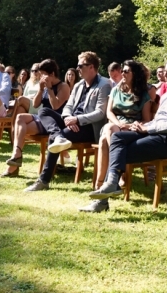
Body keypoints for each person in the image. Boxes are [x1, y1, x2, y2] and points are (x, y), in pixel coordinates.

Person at [83, 59, 167, 212]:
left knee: (119, 151)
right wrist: (142, 126)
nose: (165, 75)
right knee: (116, 138)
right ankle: (111, 183)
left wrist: (147, 128)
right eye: (165, 72)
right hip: (153, 134)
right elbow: (158, 121)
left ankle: (103, 199)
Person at [23, 52, 112, 191]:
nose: (77, 69)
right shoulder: (78, 85)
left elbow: (100, 113)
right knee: (43, 111)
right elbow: (68, 107)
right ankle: (58, 136)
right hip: (71, 122)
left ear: (92, 67)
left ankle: (43, 180)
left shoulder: (105, 84)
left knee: (54, 138)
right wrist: (67, 118)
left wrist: (77, 119)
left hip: (89, 127)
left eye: (80, 66)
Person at [1, 59, 70, 178]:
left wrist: (49, 89)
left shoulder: (63, 87)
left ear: (52, 74)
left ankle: (14, 165)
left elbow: (55, 106)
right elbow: (36, 104)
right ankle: (16, 154)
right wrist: (41, 89)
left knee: (22, 128)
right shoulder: (43, 85)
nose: (41, 76)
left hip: (54, 122)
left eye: (43, 74)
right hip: (41, 117)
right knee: (19, 117)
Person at [92, 60, 153, 188]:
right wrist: (119, 124)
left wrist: (130, 126)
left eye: (126, 71)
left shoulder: (143, 95)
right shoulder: (115, 90)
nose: (122, 74)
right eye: (122, 71)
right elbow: (109, 112)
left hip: (132, 129)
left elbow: (147, 120)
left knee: (104, 141)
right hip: (115, 124)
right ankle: (117, 174)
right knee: (109, 128)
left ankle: (102, 183)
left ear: (135, 74)